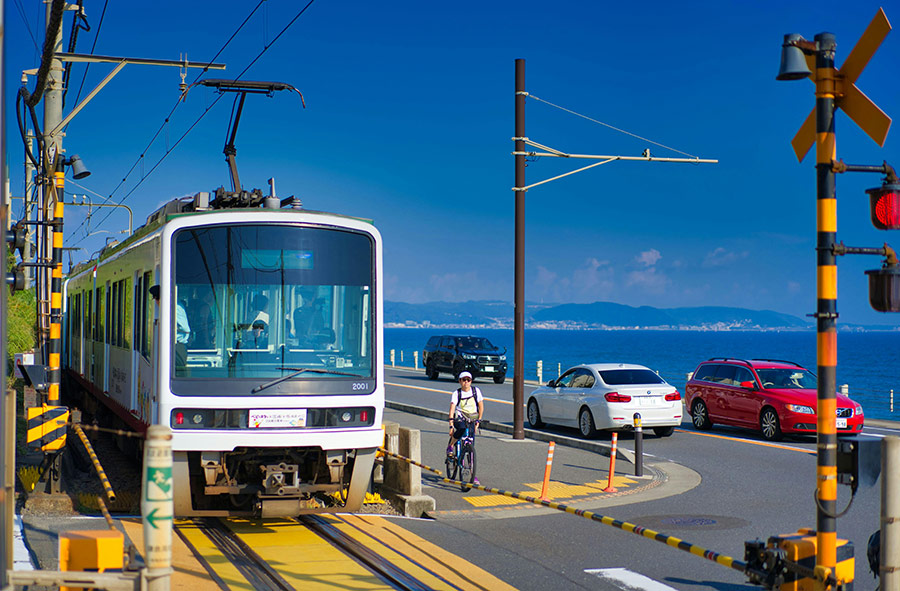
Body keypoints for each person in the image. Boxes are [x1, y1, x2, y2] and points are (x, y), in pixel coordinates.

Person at [447, 371, 484, 483]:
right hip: (460, 417)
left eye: (468, 380)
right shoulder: (456, 393)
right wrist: (451, 424)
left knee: (470, 446)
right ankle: (451, 444)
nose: (466, 382)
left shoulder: (476, 391)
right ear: (460, 381)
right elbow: (452, 409)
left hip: (472, 418)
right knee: (462, 429)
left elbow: (481, 406)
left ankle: (472, 474)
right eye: (464, 380)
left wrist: (478, 421)